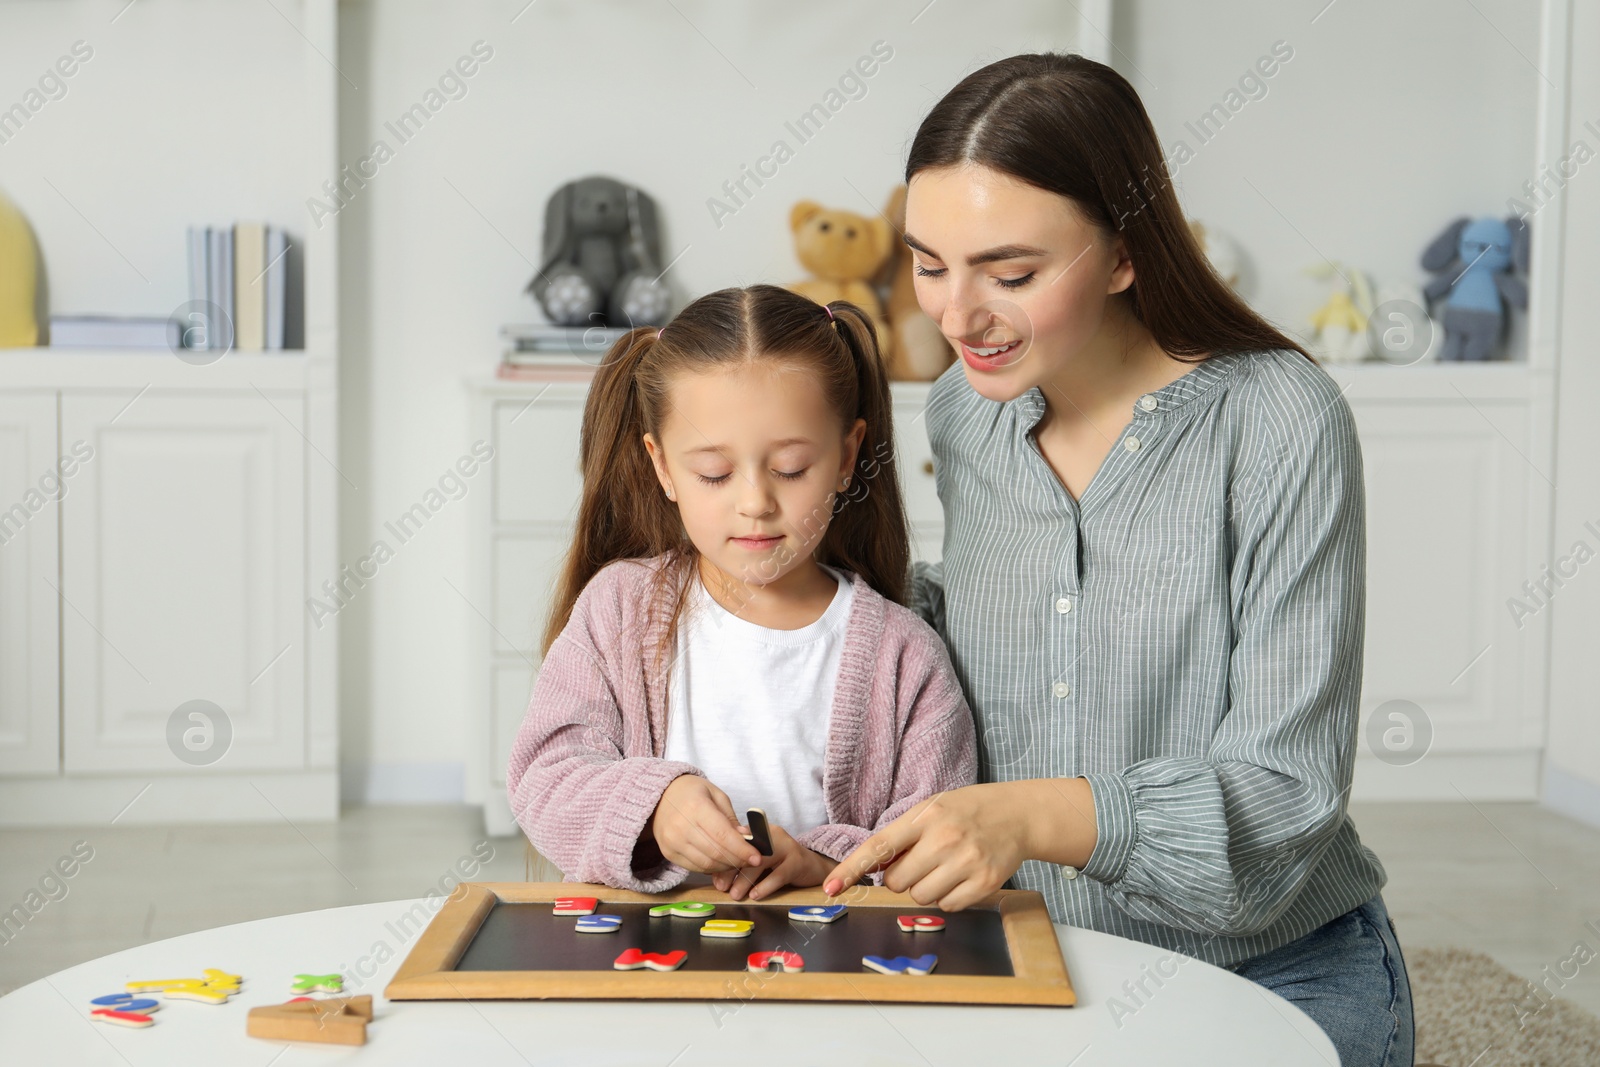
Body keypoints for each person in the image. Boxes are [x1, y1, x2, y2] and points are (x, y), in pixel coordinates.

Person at [821, 53, 1413, 1067]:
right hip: (1032, 948)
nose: (954, 316)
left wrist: (1026, 814)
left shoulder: (1276, 418)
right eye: (927, 262)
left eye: (1010, 274)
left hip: (1269, 961)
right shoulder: (972, 405)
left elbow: (1284, 792)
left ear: (1127, 253)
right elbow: (980, 622)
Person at [506, 283, 976, 901]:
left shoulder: (903, 653)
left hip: (823, 975)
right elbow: (546, 779)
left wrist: (816, 860)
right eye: (714, 473)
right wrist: (655, 806)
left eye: (790, 469)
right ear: (663, 467)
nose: (755, 502)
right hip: (642, 969)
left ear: (846, 456)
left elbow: (937, 833)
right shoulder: (619, 607)